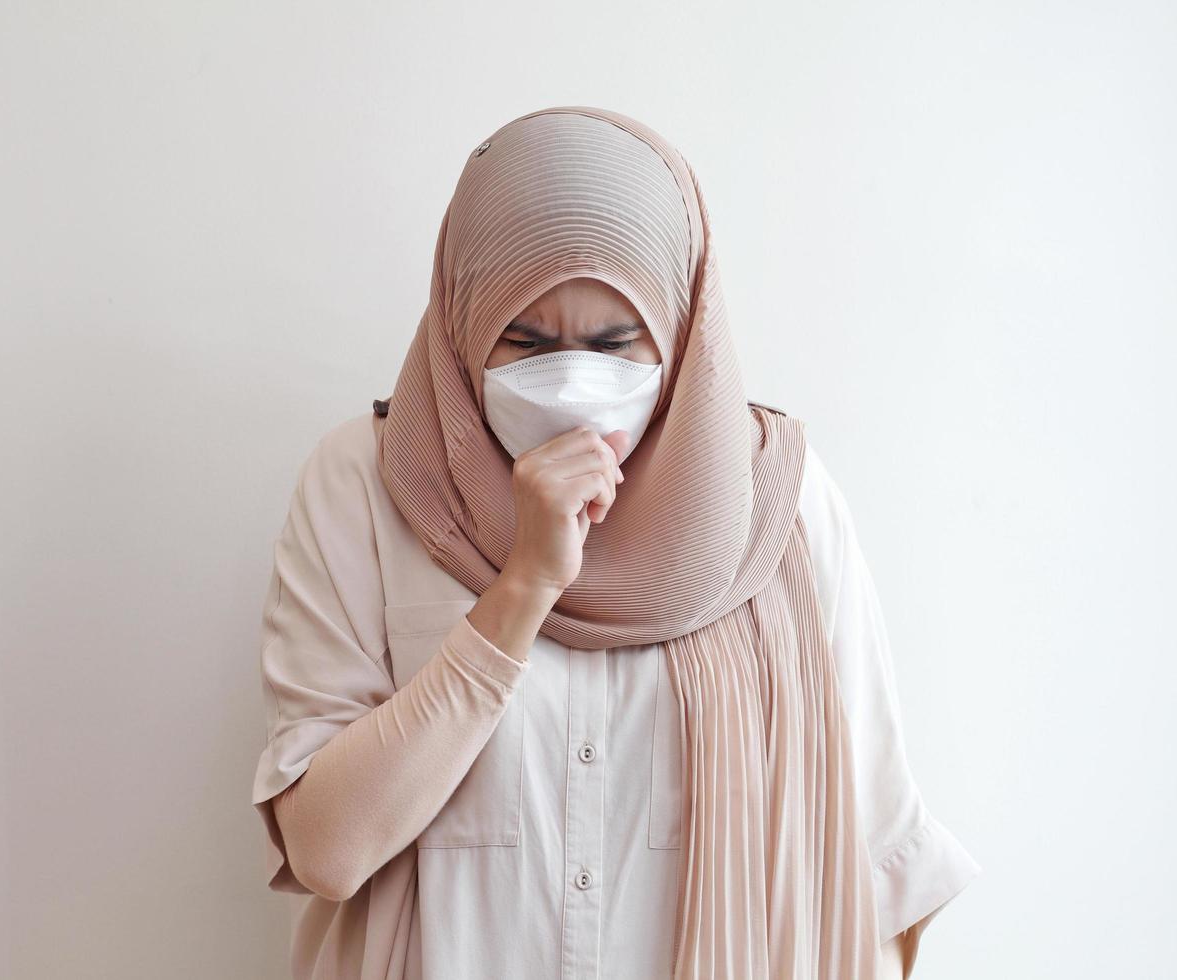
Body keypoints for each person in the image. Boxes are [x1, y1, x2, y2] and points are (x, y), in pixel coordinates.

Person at [249, 106, 981, 979]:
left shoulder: (777, 504)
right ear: (460, 321)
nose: (570, 381)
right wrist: (521, 590)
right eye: (523, 341)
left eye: (615, 343)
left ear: (680, 330)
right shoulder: (366, 486)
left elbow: (876, 864)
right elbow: (327, 851)